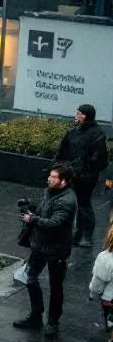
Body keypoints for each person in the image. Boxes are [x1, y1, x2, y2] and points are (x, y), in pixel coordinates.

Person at [14, 164, 78, 336]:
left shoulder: (66, 201)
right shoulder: (50, 191)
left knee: (56, 287)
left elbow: (55, 223)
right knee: (29, 278)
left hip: (56, 250)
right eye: (50, 175)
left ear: (64, 181)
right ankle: (36, 315)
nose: (49, 179)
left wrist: (33, 219)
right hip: (40, 246)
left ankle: (52, 322)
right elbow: (46, 212)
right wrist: (34, 211)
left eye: (54, 177)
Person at [56, 104, 108, 247]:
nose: (76, 116)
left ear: (85, 116)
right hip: (71, 173)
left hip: (86, 177)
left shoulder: (97, 134)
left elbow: (100, 159)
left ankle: (87, 236)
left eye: (78, 113)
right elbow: (63, 150)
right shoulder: (73, 131)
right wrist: (59, 167)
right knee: (74, 203)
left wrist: (88, 171)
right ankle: (77, 233)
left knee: (84, 204)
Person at [90, 226, 113, 342]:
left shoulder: (105, 258)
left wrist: (94, 294)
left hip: (110, 302)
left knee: (111, 332)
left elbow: (98, 284)